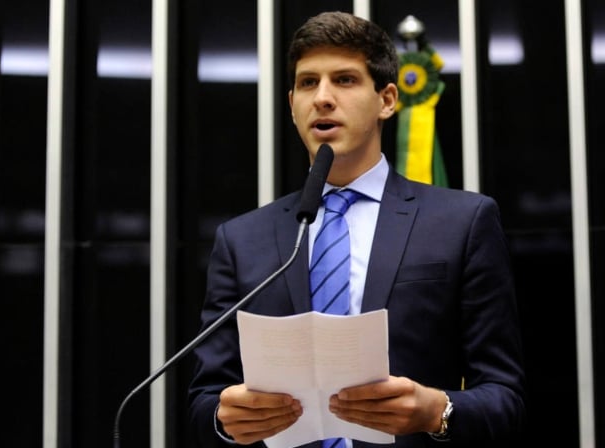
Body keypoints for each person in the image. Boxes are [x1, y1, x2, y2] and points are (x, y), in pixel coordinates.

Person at [188, 11, 525, 448]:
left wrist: (437, 411)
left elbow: (506, 398)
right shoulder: (241, 240)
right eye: (308, 83)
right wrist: (225, 419)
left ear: (387, 99)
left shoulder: (462, 222)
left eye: (344, 80)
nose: (322, 98)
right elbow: (204, 402)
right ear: (291, 105)